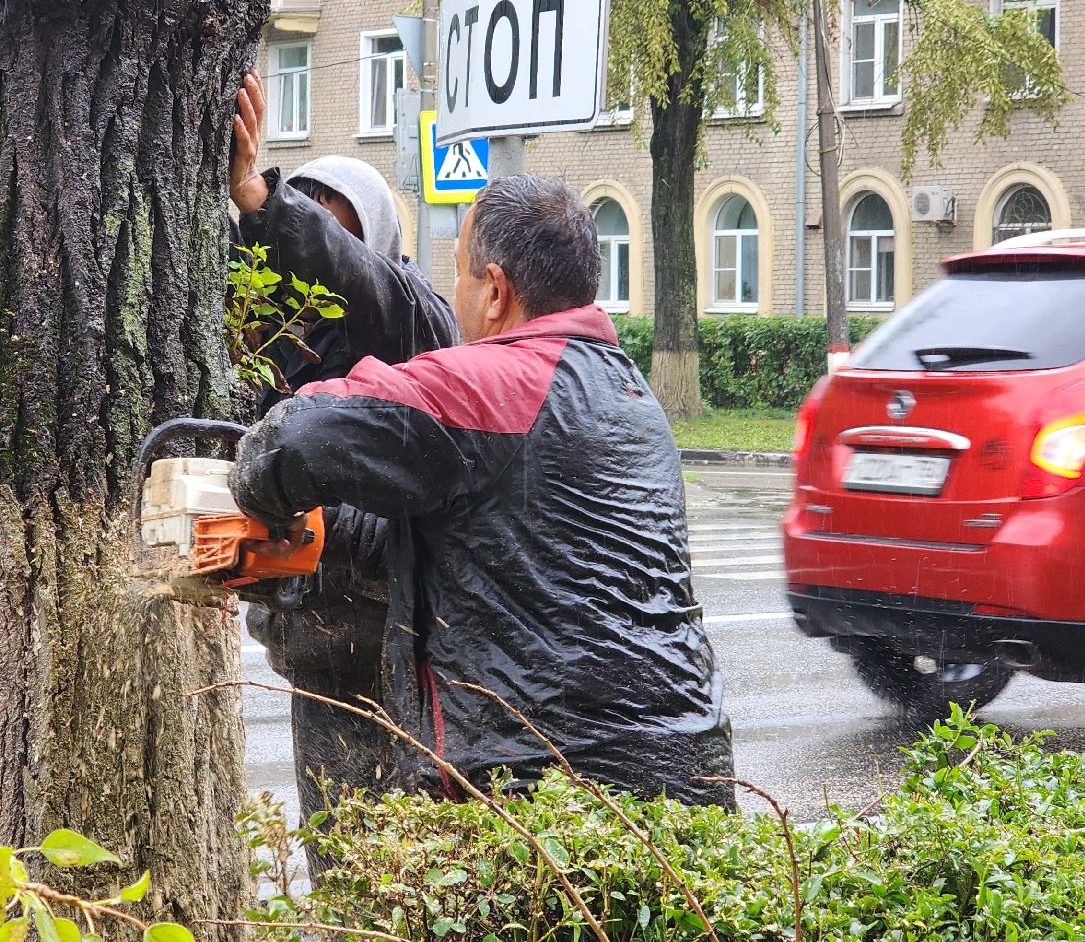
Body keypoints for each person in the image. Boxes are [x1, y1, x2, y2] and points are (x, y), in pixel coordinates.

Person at [229, 174, 735, 806]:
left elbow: (292, 442)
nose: (457, 298)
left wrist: (244, 485)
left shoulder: (491, 384)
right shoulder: (630, 392)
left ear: (496, 290)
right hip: (687, 768)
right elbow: (500, 537)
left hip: (546, 786)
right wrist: (329, 530)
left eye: (464, 274)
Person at [226, 71, 459, 836]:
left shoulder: (411, 314)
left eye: (332, 233)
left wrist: (271, 204)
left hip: (390, 640)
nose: (309, 268)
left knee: (402, 859)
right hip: (308, 641)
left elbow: (364, 282)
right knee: (337, 861)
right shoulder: (271, 343)